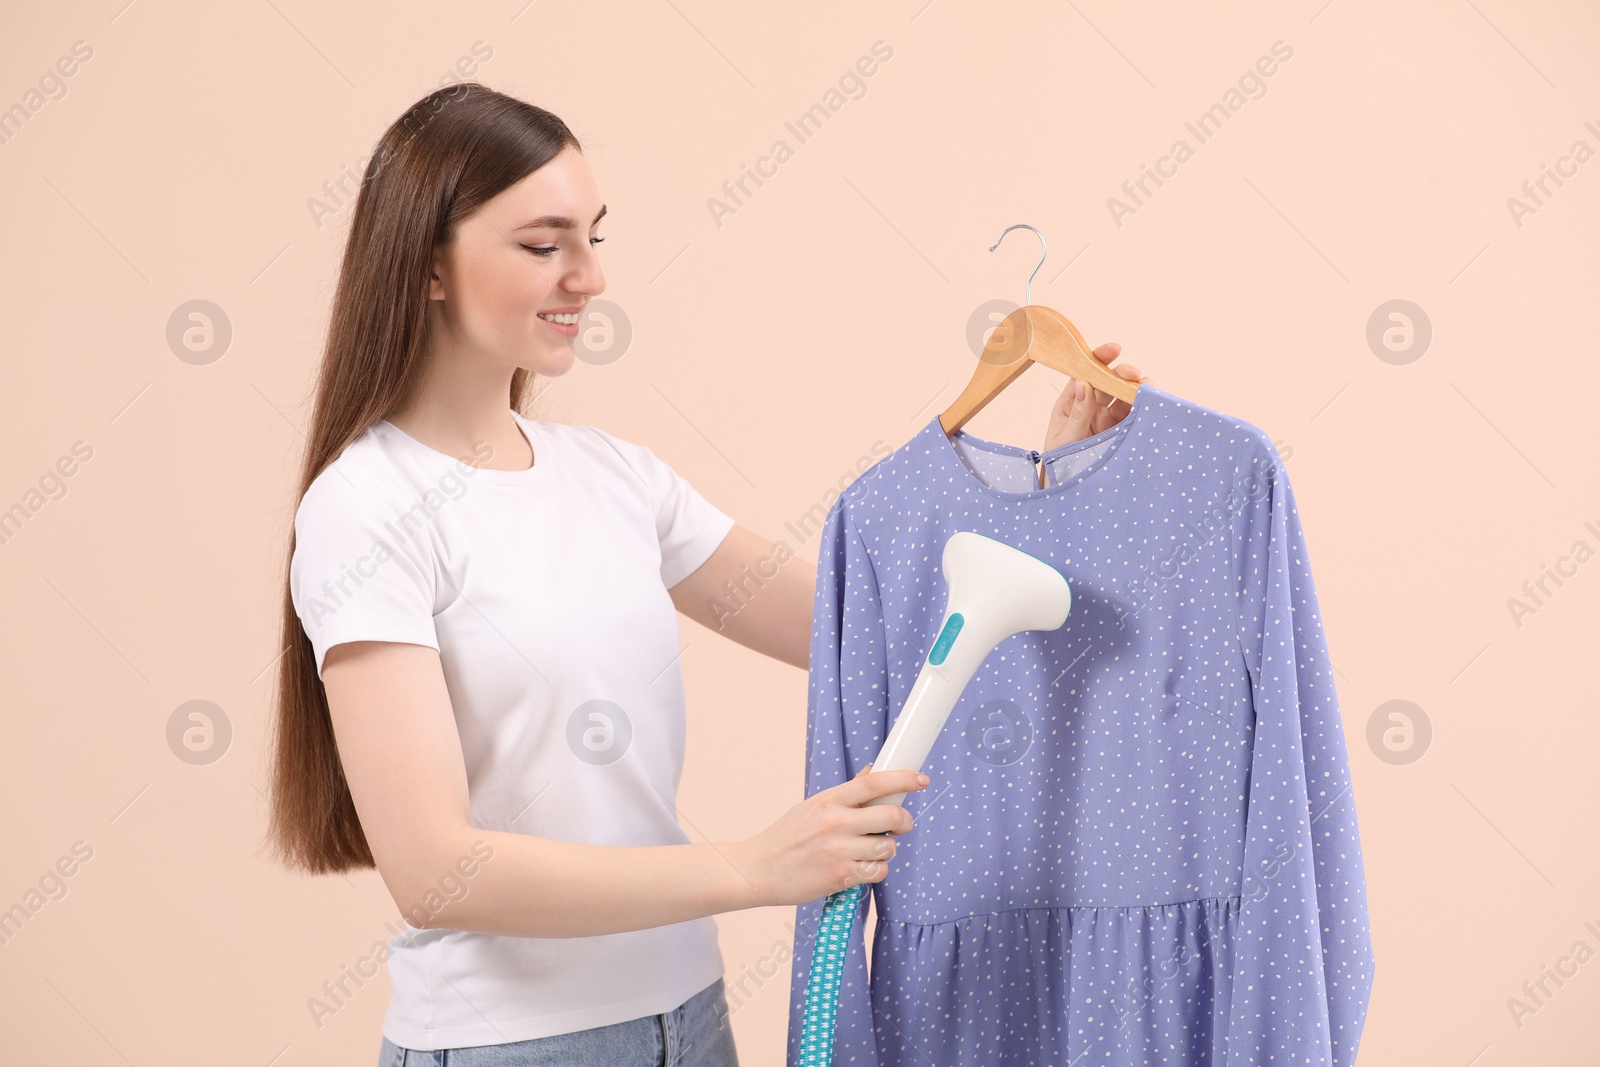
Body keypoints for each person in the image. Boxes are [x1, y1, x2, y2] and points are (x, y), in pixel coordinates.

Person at [265, 83, 1144, 1066]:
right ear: (429, 263)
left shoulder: (615, 477)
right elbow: (434, 870)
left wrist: (1044, 478)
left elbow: (871, 626)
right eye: (543, 243)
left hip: (690, 1023)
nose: (588, 277)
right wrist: (752, 867)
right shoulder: (365, 508)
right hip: (508, 1046)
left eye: (594, 237)